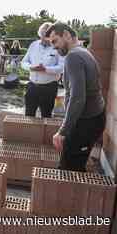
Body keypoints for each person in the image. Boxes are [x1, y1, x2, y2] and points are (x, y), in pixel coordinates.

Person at [46, 22, 106, 172]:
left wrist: (63, 131)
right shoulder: (84, 52)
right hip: (93, 119)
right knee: (75, 166)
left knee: (68, 170)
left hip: (86, 123)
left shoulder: (73, 57)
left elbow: (77, 97)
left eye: (55, 41)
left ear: (66, 34)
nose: (54, 46)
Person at [21, 22, 64, 117]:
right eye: (43, 35)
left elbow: (62, 67)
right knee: (28, 115)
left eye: (48, 35)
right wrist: (31, 67)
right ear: (40, 34)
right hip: (32, 86)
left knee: (46, 116)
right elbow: (23, 62)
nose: (46, 38)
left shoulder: (58, 47)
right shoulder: (33, 45)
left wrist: (46, 69)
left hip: (49, 88)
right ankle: (29, 131)